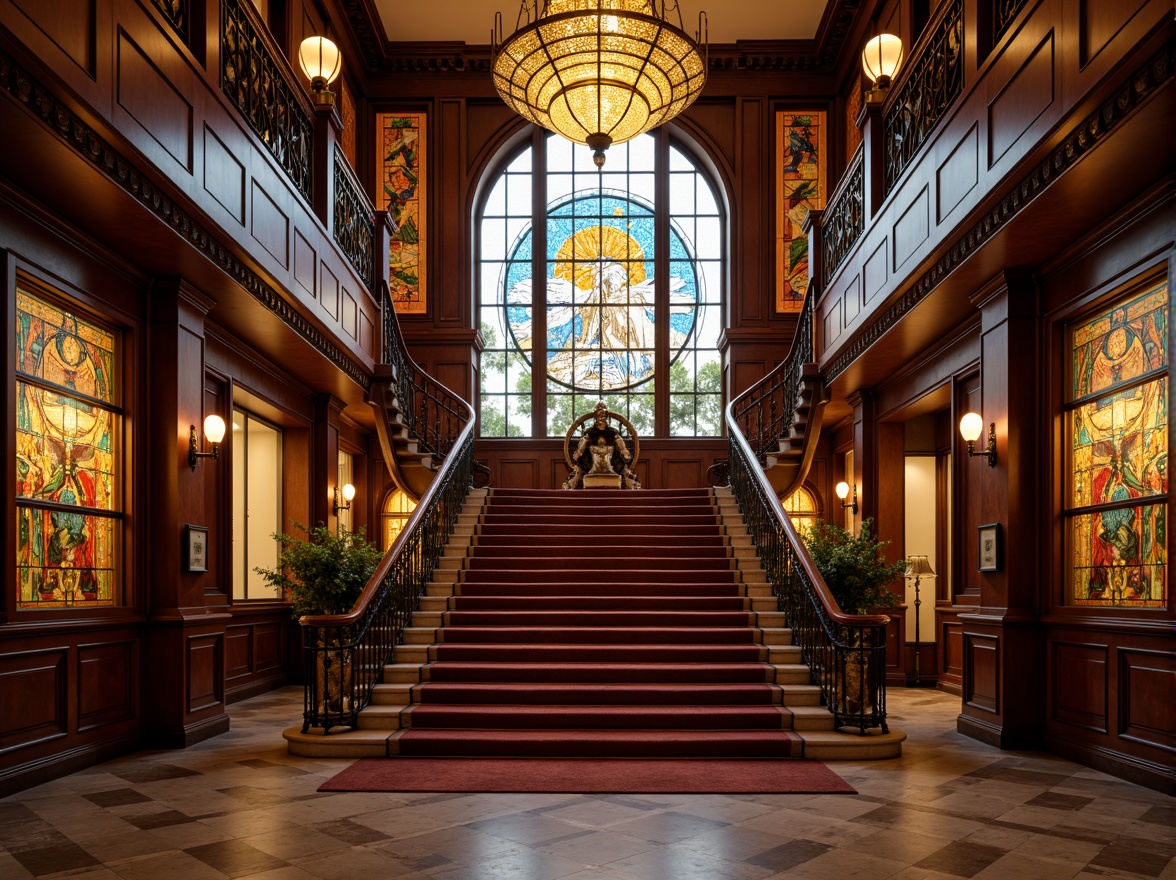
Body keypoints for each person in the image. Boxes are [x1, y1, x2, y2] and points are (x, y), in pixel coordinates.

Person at [563, 402, 641, 489]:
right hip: (591, 463)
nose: (602, 417)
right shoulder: (590, 432)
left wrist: (624, 450)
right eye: (599, 415)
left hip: (612, 463)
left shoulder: (612, 431)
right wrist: (580, 451)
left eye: (604, 415)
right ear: (595, 417)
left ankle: (630, 481)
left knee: (623, 468)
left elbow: (619, 441)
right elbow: (584, 442)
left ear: (607, 416)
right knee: (579, 469)